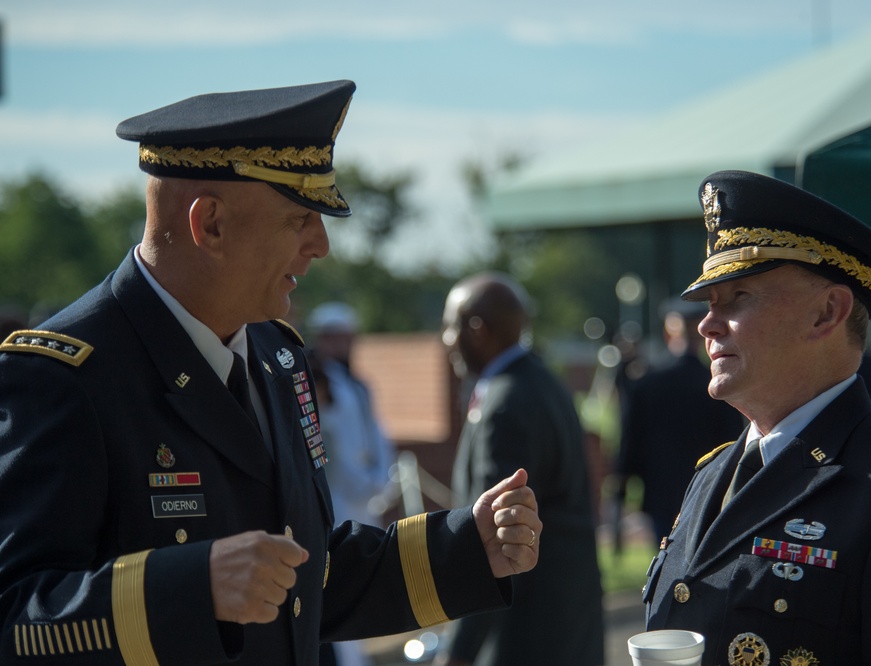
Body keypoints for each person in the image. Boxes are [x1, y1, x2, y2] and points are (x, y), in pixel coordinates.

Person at [0, 81, 542, 666]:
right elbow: (14, 618)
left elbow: (300, 578)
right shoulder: (63, 376)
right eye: (297, 218)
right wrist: (190, 586)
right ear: (209, 223)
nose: (322, 245)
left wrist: (463, 548)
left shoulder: (276, 357)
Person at [642, 170, 871, 665]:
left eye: (738, 297)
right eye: (708, 302)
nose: (705, 323)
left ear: (827, 312)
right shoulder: (711, 476)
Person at [437, 272, 605, 666]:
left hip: (526, 629)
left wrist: (458, 652)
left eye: (449, 327)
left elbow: (494, 540)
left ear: (477, 330)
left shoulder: (506, 403)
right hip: (566, 614)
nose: (446, 341)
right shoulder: (544, 381)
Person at [306, 302, 396, 666]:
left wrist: (382, 482)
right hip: (339, 501)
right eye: (332, 337)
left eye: (345, 337)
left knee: (363, 590)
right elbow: (332, 448)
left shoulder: (358, 384)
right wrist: (366, 485)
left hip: (367, 497)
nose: (340, 344)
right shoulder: (317, 383)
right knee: (339, 591)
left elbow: (377, 437)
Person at [616, 297, 745, 541]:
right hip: (709, 485)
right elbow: (733, 440)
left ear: (668, 332)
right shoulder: (717, 385)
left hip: (659, 487)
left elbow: (630, 440)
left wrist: (621, 489)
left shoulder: (646, 382)